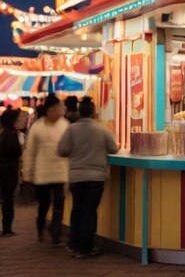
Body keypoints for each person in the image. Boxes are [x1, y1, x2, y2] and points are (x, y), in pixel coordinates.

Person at [58, 96, 119, 258]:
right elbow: (113, 149)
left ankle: (73, 244)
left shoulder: (71, 129)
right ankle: (85, 248)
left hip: (76, 176)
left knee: (77, 209)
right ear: (93, 112)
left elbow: (62, 150)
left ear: (79, 112)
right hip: (95, 177)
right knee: (89, 212)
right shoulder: (102, 130)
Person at [22, 94, 70, 244]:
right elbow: (30, 152)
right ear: (50, 110)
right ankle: (40, 226)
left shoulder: (65, 125)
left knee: (59, 203)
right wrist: (27, 176)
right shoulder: (37, 127)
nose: (61, 111)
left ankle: (55, 232)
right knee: (43, 204)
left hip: (61, 172)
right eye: (59, 108)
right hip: (42, 173)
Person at [0, 109, 22, 236]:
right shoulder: (11, 134)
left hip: (4, 171)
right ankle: (7, 228)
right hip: (8, 172)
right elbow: (15, 152)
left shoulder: (4, 133)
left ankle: (6, 227)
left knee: (6, 200)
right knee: (8, 201)